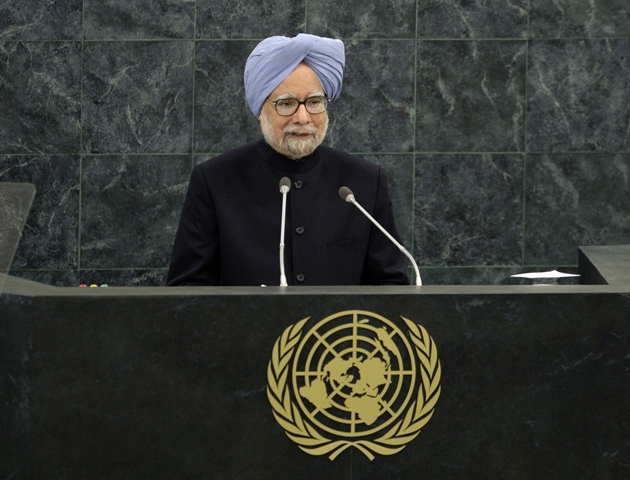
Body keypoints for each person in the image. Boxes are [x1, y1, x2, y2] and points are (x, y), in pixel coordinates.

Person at [167, 33, 409, 286]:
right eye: (287, 103)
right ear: (261, 108)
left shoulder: (365, 181)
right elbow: (188, 289)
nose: (303, 117)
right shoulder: (215, 181)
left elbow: (390, 285)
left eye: (314, 102)